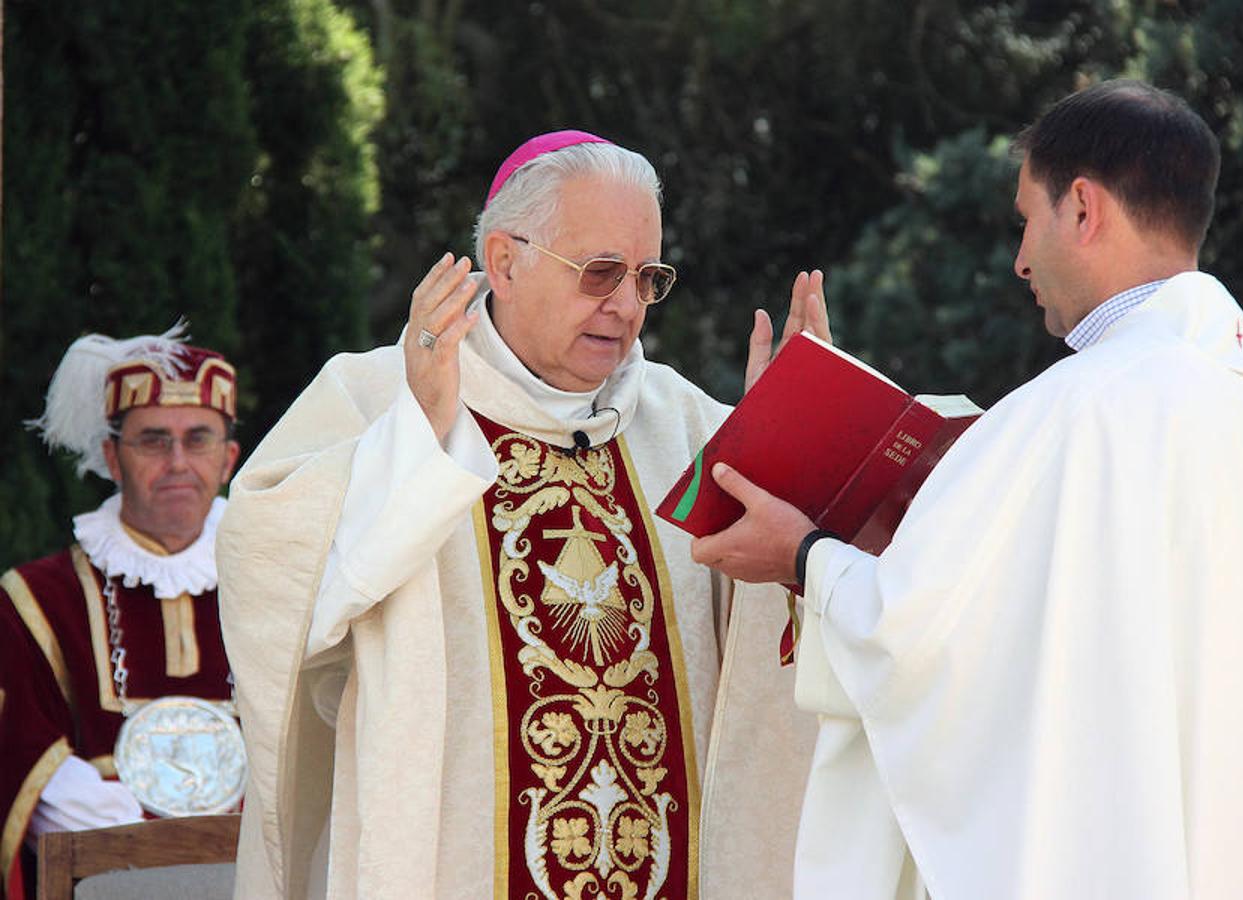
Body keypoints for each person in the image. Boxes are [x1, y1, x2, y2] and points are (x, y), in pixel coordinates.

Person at [691, 80, 1243, 898]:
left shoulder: (1080, 409)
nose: (1019, 259)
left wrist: (803, 551)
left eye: (1025, 218)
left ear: (1082, 207)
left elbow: (910, 634)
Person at [217, 131, 823, 899]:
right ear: (504, 262)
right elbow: (270, 579)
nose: (628, 305)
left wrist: (792, 449)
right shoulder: (383, 398)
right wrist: (417, 442)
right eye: (600, 272)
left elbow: (765, 661)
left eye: (647, 277)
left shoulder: (690, 428)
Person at [0, 326, 243, 899]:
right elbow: (20, 750)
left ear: (229, 458)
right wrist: (150, 855)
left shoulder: (282, 586)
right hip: (102, 882)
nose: (178, 461)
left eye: (198, 438)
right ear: (112, 457)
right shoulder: (36, 598)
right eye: (153, 440)